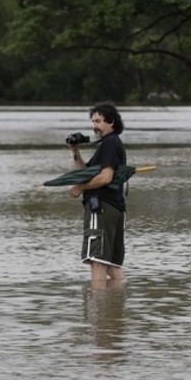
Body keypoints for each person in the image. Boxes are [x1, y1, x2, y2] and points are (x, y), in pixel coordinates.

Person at [67, 102, 128, 283]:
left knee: (97, 261)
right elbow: (82, 172)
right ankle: (116, 305)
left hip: (102, 207)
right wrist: (75, 151)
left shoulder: (110, 143)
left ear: (111, 122)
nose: (95, 126)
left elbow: (106, 177)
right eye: (93, 121)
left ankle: (98, 308)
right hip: (114, 208)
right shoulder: (108, 144)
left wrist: (81, 188)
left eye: (99, 121)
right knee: (110, 264)